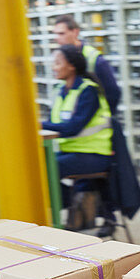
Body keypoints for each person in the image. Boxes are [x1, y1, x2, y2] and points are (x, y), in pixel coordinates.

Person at [43, 45, 117, 234]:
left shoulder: (88, 91)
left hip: (94, 154)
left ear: (72, 66)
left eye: (58, 62)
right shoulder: (61, 91)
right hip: (72, 152)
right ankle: (76, 203)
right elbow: (57, 124)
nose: (54, 67)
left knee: (50, 168)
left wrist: (40, 125)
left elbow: (72, 127)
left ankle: (68, 210)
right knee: (38, 165)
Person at [51, 15, 120, 114]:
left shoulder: (94, 58)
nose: (57, 38)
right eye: (56, 34)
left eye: (62, 34)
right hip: (71, 122)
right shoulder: (61, 57)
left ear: (75, 32)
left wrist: (97, 116)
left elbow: (112, 93)